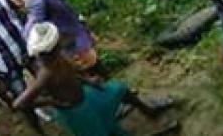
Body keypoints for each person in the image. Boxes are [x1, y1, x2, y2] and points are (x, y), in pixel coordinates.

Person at [14, 22, 175, 135]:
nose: (62, 41)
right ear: (52, 47)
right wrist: (53, 102)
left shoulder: (57, 57)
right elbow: (19, 104)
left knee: (120, 90)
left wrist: (88, 81)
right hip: (75, 112)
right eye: (58, 40)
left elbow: (72, 71)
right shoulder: (45, 73)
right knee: (100, 131)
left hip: (86, 95)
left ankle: (149, 111)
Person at [19, 0, 98, 69]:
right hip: (71, 46)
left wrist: (84, 27)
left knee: (95, 67)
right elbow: (34, 27)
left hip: (78, 37)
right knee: (92, 72)